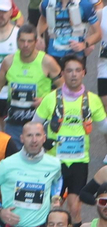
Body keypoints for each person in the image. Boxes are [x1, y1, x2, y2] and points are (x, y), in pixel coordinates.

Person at [35, 55, 106, 218]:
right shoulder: (50, 98)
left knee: (75, 207)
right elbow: (34, 125)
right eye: (69, 71)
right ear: (63, 74)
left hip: (79, 161)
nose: (73, 74)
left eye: (77, 70)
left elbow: (104, 127)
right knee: (53, 206)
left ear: (84, 73)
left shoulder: (93, 100)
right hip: (55, 161)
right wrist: (43, 141)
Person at [0, 121, 65, 227]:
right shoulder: (7, 164)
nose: (34, 140)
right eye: (29, 135)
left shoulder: (54, 164)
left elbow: (58, 180)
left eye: (38, 135)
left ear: (44, 138)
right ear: (22, 138)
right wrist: (0, 210)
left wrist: (55, 198)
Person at [0, 25, 61, 141]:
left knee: (37, 156)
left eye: (29, 41)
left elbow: (63, 88)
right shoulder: (9, 61)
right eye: (22, 41)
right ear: (17, 41)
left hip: (39, 123)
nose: (26, 45)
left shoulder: (47, 61)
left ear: (36, 42)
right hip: (14, 122)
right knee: (13, 157)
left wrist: (45, 100)